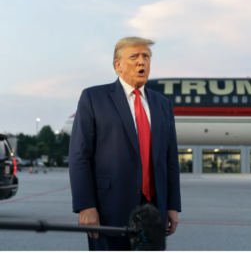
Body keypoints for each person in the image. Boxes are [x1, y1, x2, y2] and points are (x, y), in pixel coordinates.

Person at [68, 37, 182, 251]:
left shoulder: (163, 104)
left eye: (146, 57)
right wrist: (85, 206)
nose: (142, 62)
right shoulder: (93, 97)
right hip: (108, 207)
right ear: (117, 65)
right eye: (134, 57)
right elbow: (79, 156)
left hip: (154, 208)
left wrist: (173, 206)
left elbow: (170, 159)